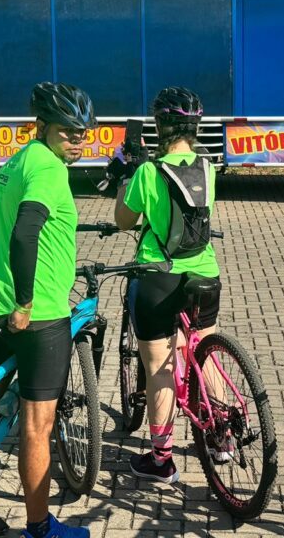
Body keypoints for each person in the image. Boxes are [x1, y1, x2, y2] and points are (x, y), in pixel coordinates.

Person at [0, 82, 96, 538]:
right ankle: (40, 528)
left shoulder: (15, 162)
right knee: (38, 427)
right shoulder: (49, 169)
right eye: (67, 131)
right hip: (38, 315)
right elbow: (24, 233)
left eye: (83, 133)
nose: (77, 140)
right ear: (42, 126)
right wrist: (25, 302)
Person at [113, 87, 223, 484]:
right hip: (205, 274)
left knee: (159, 368)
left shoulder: (148, 172)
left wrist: (127, 176)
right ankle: (222, 436)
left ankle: (161, 459)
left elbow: (124, 221)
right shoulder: (209, 168)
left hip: (157, 276)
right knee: (205, 353)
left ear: (159, 126)